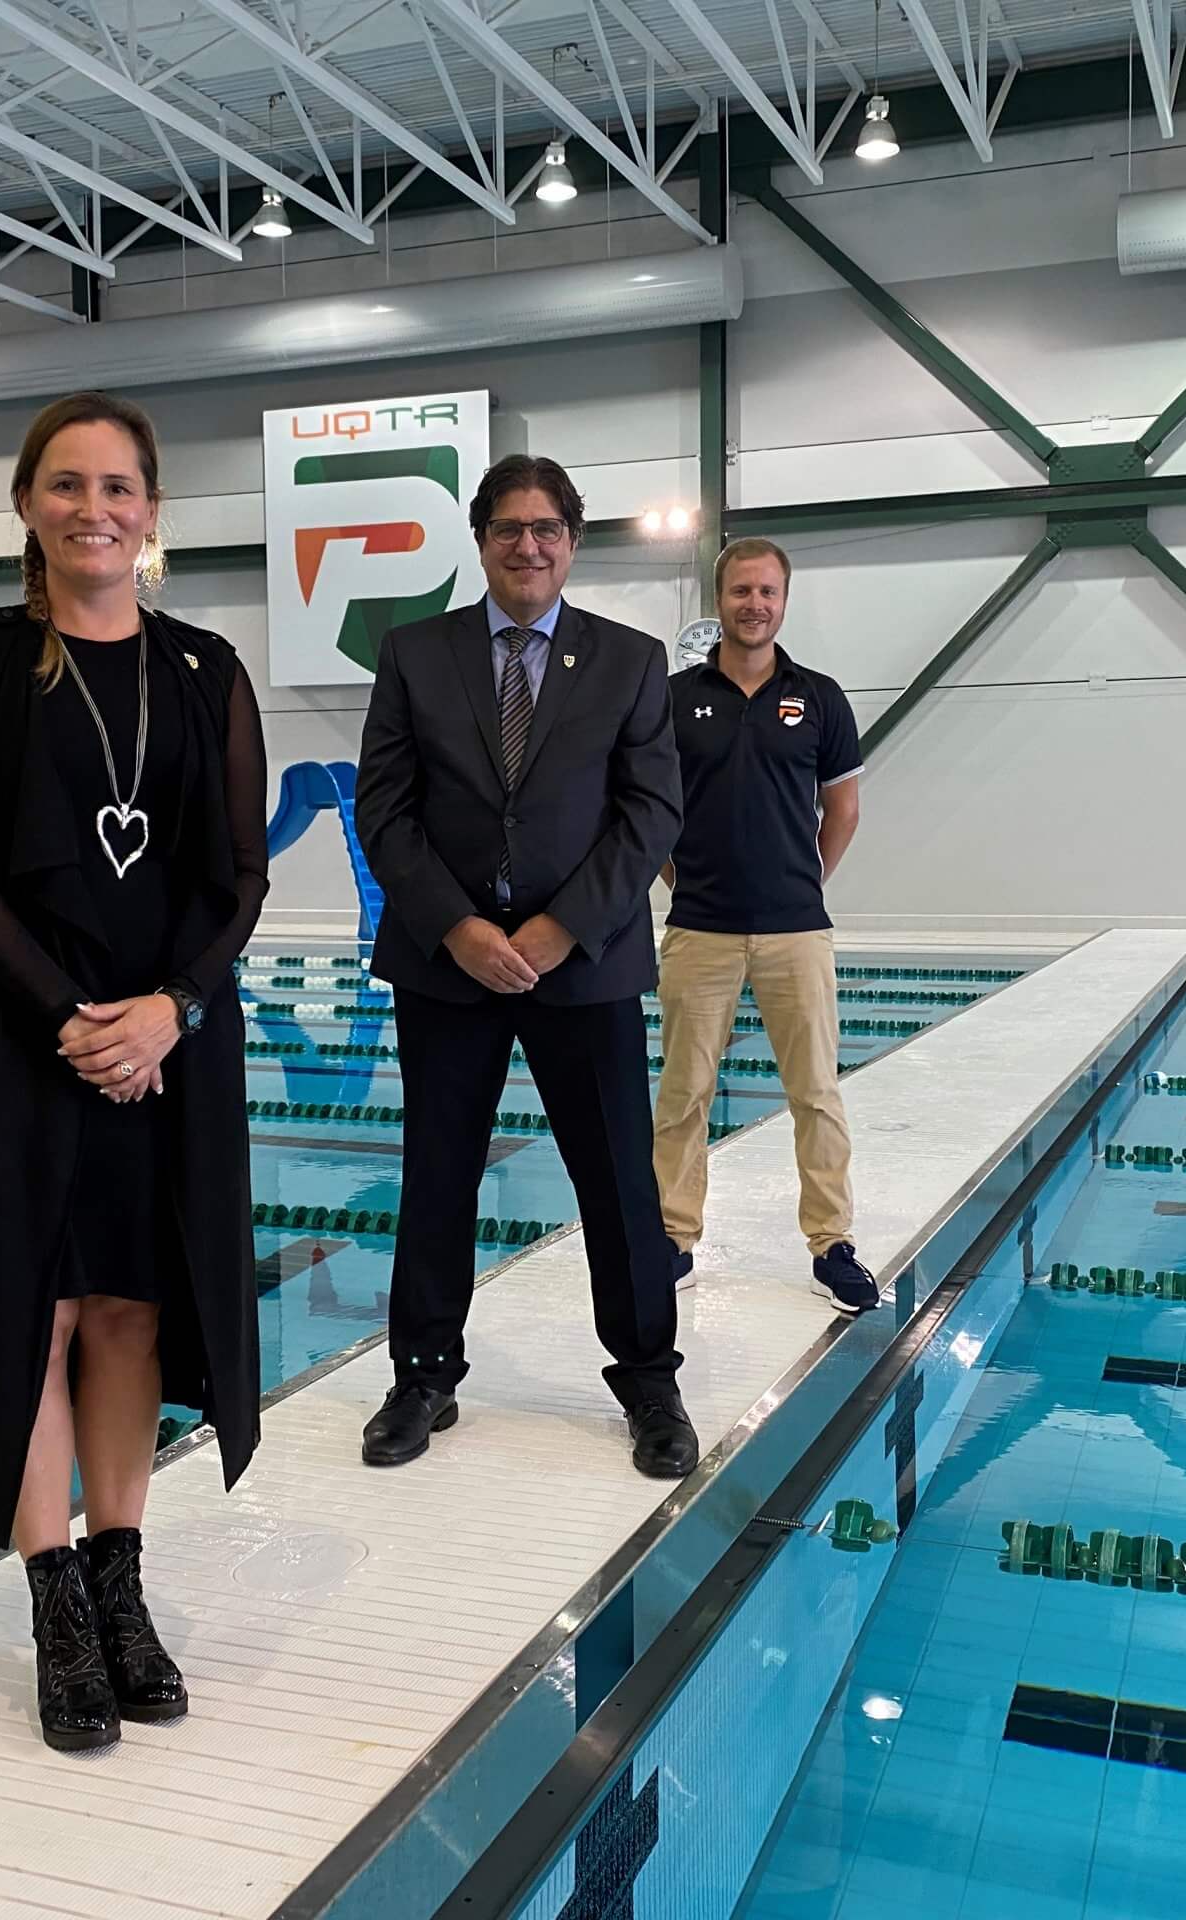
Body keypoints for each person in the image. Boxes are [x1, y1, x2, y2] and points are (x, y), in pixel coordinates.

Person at [0, 391, 269, 1753]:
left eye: (117, 485)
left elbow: (239, 874)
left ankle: (123, 1582)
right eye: (65, 484)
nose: (92, 507)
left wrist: (167, 1008)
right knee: (32, 1314)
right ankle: (53, 1600)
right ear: (28, 506)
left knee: (126, 1310)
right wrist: (66, 1014)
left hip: (158, 1052)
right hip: (5, 1046)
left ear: (152, 511)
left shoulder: (205, 671)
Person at [353, 452, 694, 1478]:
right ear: (482, 540)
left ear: (572, 542)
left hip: (580, 968)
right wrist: (457, 927)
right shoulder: (415, 654)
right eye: (509, 528)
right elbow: (384, 806)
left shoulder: (630, 661)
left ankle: (647, 1379)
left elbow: (650, 813)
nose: (528, 545)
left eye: (547, 528)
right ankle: (422, 1374)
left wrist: (559, 931)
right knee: (437, 1173)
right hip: (446, 964)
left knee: (617, 1180)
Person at [653, 537, 878, 1314]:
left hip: (795, 929)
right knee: (683, 1091)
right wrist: (683, 880)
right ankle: (673, 1234)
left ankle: (832, 1242)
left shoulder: (819, 697)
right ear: (719, 601)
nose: (755, 604)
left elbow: (842, 808)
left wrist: (803, 884)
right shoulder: (676, 700)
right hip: (700, 928)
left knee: (815, 1091)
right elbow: (649, 814)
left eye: (768, 592)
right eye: (741, 591)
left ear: (785, 601)